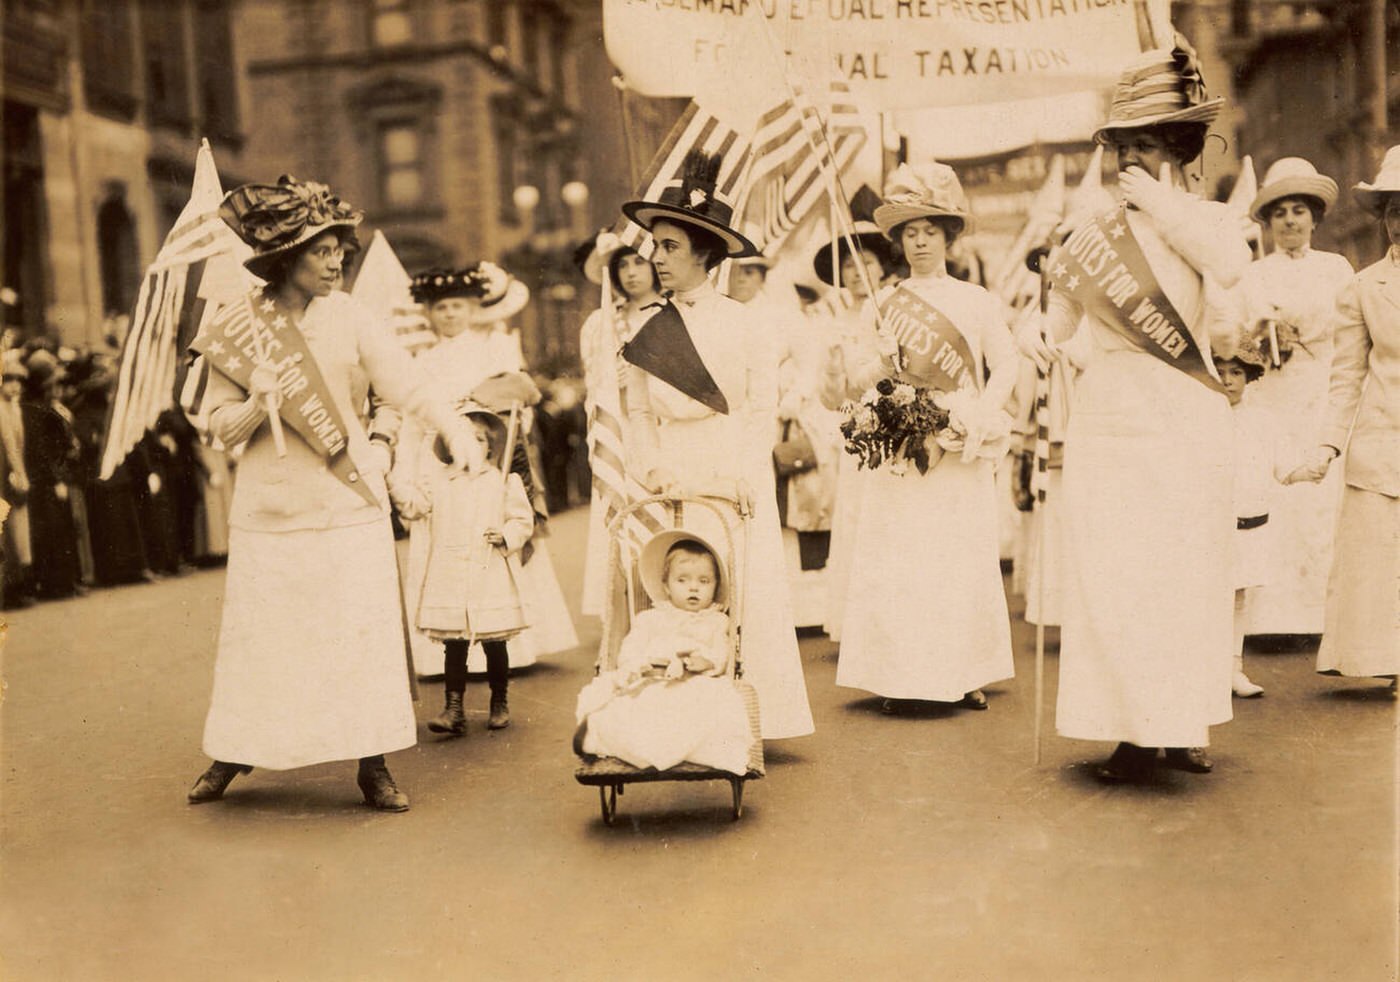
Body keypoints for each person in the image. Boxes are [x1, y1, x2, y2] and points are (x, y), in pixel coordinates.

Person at [182, 175, 483, 812]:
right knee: (264, 638)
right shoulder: (239, 326)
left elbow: (407, 384)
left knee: (359, 635)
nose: (336, 260)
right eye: (322, 251)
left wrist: (454, 427)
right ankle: (236, 748)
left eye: (340, 248)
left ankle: (371, 761)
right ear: (286, 257)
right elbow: (215, 426)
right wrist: (252, 401)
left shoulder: (350, 315)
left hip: (348, 502)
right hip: (271, 506)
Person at [1018, 38, 1249, 782]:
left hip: (1183, 419)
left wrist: (1164, 207)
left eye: (1144, 146)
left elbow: (1232, 267)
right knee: (1116, 575)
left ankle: (1180, 724)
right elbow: (1055, 321)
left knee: (1183, 574)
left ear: (1177, 147)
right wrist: (1036, 336)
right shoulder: (1090, 236)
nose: (1129, 162)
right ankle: (1126, 729)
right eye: (1122, 148)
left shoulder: (1204, 221)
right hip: (1112, 420)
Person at [619, 150, 814, 740]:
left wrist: (740, 476)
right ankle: (680, 724)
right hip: (670, 470)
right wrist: (649, 467)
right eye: (655, 246)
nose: (657, 259)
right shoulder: (644, 328)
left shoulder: (748, 323)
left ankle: (752, 718)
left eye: (671, 246)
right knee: (676, 586)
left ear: (705, 253)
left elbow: (758, 407)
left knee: (740, 588)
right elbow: (635, 410)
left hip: (732, 467)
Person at [827, 162, 1018, 712]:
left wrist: (978, 415)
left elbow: (1006, 364)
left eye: (930, 231)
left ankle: (965, 673)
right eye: (909, 233)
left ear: (949, 235)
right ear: (897, 241)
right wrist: (880, 365)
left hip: (958, 443)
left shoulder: (976, 299)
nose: (920, 242)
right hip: (899, 448)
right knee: (903, 559)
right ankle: (900, 675)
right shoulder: (880, 304)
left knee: (957, 558)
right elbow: (858, 380)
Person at [390, 264, 577, 693]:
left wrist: (490, 423)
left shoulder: (492, 351)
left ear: (473, 308)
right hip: (437, 461)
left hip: (486, 456)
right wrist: (409, 469)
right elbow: (412, 419)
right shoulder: (421, 361)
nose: (450, 315)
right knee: (443, 546)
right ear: (429, 315)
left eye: (457, 306)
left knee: (490, 541)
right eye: (441, 308)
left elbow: (519, 407)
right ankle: (445, 647)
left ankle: (507, 642)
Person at [1286, 146, 1400, 693]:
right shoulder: (1363, 286)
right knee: (1380, 563)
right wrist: (1326, 448)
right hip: (1381, 442)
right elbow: (1346, 376)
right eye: (1393, 209)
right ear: (1382, 218)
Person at [1235, 158, 1354, 637]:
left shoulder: (1337, 268)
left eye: (1298, 211)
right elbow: (1240, 342)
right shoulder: (1254, 274)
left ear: (1314, 218)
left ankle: (1324, 616)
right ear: (1267, 221)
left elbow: (1351, 333)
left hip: (1322, 389)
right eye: (1279, 212)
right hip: (1273, 393)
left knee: (1324, 499)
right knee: (1278, 493)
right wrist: (1263, 336)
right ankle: (1273, 619)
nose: (1289, 221)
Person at [574, 534, 752, 775]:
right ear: (666, 586)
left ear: (715, 586)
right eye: (682, 580)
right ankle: (615, 738)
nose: (693, 587)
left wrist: (708, 662)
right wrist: (643, 664)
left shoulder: (716, 621)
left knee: (712, 708)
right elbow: (629, 652)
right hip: (653, 681)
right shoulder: (650, 619)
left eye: (704, 581)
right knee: (635, 709)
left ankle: (671, 749)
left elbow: (722, 652)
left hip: (694, 683)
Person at [404, 407, 534, 735]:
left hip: (488, 568)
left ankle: (499, 701)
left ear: (491, 446)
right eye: (465, 439)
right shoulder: (440, 482)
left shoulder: (503, 480)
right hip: (451, 572)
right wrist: (405, 490)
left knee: (494, 641)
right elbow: (417, 508)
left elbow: (522, 520)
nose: (473, 445)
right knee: (455, 644)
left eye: (480, 439)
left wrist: (505, 534)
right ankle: (454, 708)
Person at [815, 217, 897, 642]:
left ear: (882, 266)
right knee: (854, 518)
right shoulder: (831, 320)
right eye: (848, 265)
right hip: (856, 431)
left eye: (865, 262)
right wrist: (830, 365)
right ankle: (857, 626)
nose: (856, 273)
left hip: (896, 426)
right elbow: (830, 395)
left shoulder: (895, 307)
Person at [578, 235, 663, 616]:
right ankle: (626, 615)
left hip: (661, 427)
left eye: (638, 263)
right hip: (620, 432)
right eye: (622, 266)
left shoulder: (668, 314)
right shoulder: (602, 323)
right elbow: (591, 383)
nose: (630, 273)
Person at [1216, 332, 1302, 698]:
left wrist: (1310, 468)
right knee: (1206, 598)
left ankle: (1232, 668)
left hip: (1248, 525)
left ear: (1250, 376)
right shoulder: (1199, 418)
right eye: (1219, 371)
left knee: (1237, 598)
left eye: (1236, 372)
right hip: (1208, 528)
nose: (1227, 380)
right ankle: (1203, 668)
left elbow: (1285, 469)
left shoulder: (1263, 420)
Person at [0, 354, 32, 606]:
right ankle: (10, 590)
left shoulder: (15, 407)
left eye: (18, 380)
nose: (14, 385)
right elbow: (9, 446)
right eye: (9, 380)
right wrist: (17, 472)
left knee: (17, 533)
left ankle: (19, 586)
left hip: (14, 475)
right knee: (8, 535)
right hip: (5, 475)